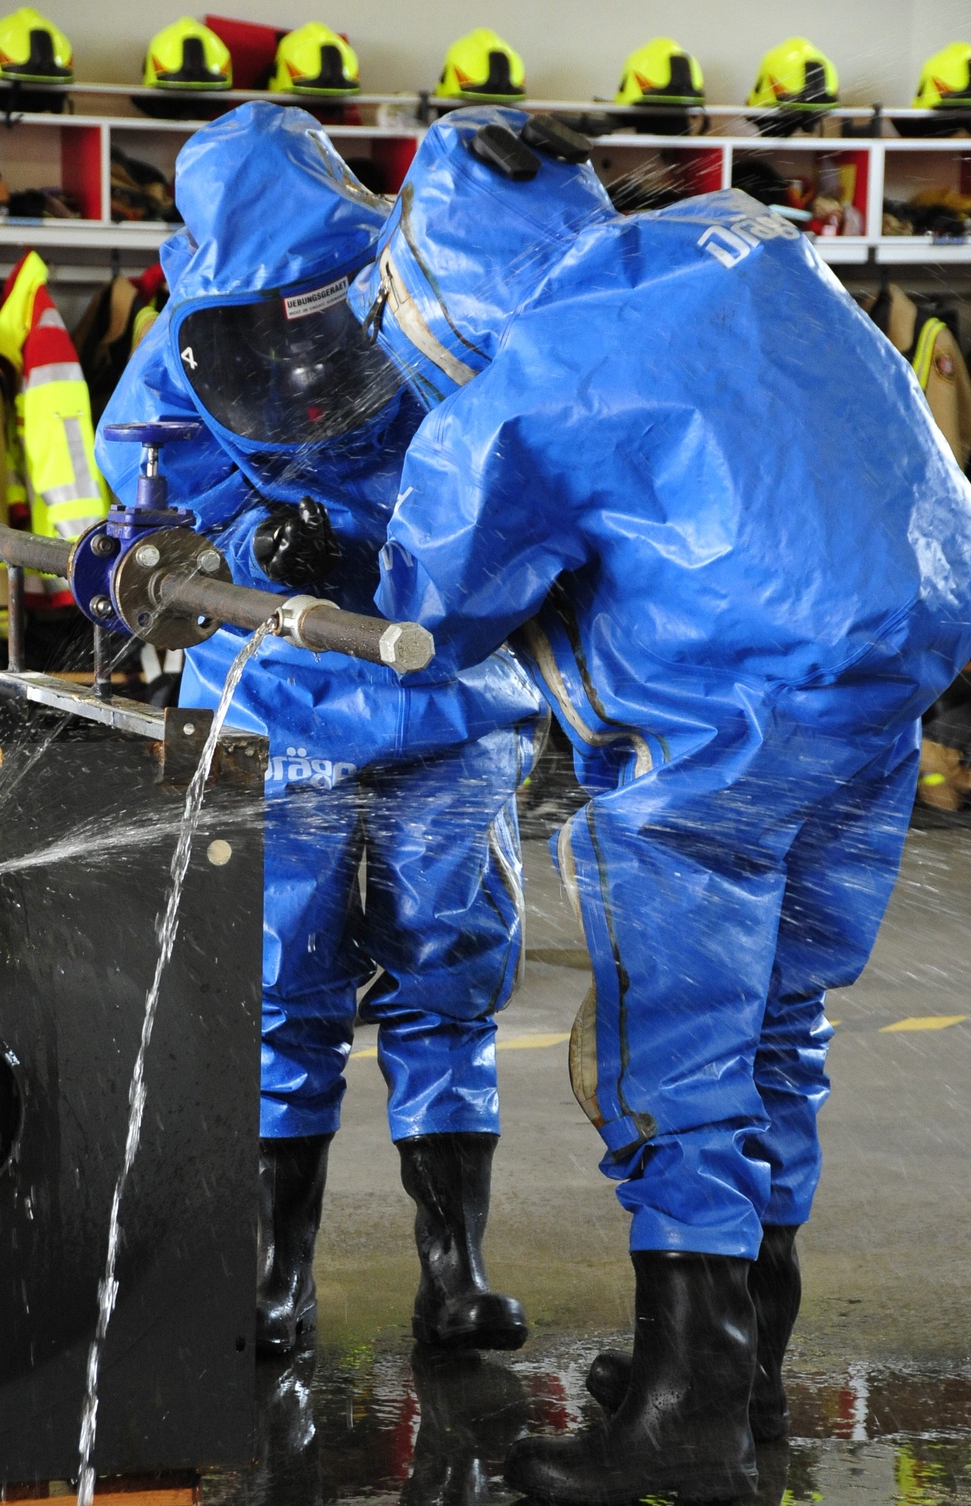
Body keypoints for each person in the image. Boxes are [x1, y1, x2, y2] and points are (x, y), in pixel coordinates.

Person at [348, 106, 971, 1502]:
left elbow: (432, 615)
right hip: (888, 671)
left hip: (725, 714)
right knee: (778, 1015)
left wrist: (344, 559)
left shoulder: (527, 378)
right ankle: (744, 1365)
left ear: (440, 278)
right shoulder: (737, 241)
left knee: (679, 1036)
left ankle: (681, 1422)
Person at [97, 102, 609, 1358]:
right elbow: (143, 484)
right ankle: (276, 1281)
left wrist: (378, 544)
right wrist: (244, 543)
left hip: (447, 697)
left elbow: (519, 465)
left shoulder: (427, 305)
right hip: (280, 702)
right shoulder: (180, 348)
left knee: (452, 975)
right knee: (285, 982)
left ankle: (456, 1278)